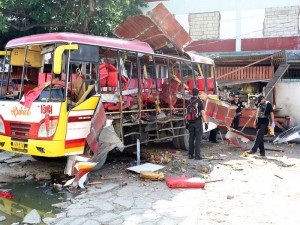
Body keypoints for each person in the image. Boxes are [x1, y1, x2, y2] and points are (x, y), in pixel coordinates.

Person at [187, 88, 209, 160]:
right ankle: (197, 156)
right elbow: (203, 113)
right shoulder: (199, 102)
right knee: (198, 139)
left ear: (192, 93)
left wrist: (186, 122)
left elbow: (186, 113)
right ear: (198, 93)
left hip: (190, 122)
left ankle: (190, 154)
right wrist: (206, 122)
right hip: (197, 123)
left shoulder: (188, 101)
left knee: (191, 138)